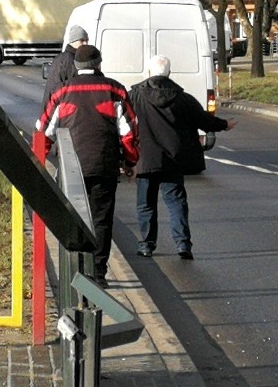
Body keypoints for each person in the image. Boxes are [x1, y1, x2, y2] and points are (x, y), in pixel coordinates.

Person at [36, 44, 139, 288]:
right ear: (99, 64)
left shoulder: (62, 92)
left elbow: (43, 131)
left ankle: (78, 271)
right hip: (104, 164)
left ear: (76, 66)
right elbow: (129, 132)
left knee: (76, 218)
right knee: (102, 218)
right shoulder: (115, 90)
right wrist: (130, 161)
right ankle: (99, 272)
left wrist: (39, 162)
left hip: (72, 166)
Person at [130, 54, 237, 260]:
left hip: (145, 159)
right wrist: (224, 125)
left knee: (146, 204)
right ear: (169, 73)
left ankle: (146, 245)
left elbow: (123, 121)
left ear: (150, 72)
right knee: (176, 202)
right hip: (173, 160)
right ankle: (183, 245)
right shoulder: (182, 98)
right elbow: (204, 120)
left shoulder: (135, 96)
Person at [42, 25, 88, 109]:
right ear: (73, 41)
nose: (85, 43)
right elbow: (74, 88)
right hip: (61, 107)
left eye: (86, 40)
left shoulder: (60, 58)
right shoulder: (71, 60)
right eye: (82, 40)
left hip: (53, 105)